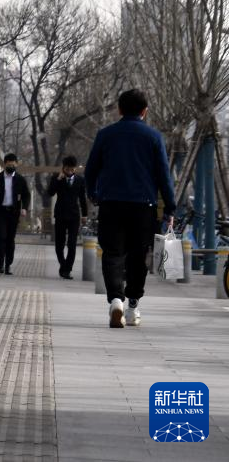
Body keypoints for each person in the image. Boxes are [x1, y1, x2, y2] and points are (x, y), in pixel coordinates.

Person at [84, 89, 175, 328]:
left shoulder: (105, 135)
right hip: (143, 206)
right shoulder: (154, 137)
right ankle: (133, 307)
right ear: (145, 111)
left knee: (112, 253)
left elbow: (91, 169)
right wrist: (170, 207)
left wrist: (94, 194)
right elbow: (163, 175)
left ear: (119, 110)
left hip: (111, 204)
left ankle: (116, 300)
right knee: (138, 256)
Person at [0, 153, 31, 275]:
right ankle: (0, 262)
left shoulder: (20, 180)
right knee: (1, 237)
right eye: (9, 165)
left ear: (16, 164)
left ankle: (8, 265)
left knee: (10, 239)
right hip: (1, 211)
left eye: (13, 165)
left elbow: (26, 195)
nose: (11, 167)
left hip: (14, 213)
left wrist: (24, 208)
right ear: (4, 164)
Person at [48, 155, 88, 280]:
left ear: (75, 168)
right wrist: (58, 179)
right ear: (63, 168)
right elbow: (50, 193)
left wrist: (84, 215)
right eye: (67, 169)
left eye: (72, 169)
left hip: (74, 216)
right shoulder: (57, 177)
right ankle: (63, 265)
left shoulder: (80, 180)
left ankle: (67, 270)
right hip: (60, 215)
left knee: (72, 243)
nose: (70, 171)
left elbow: (82, 198)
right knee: (59, 244)